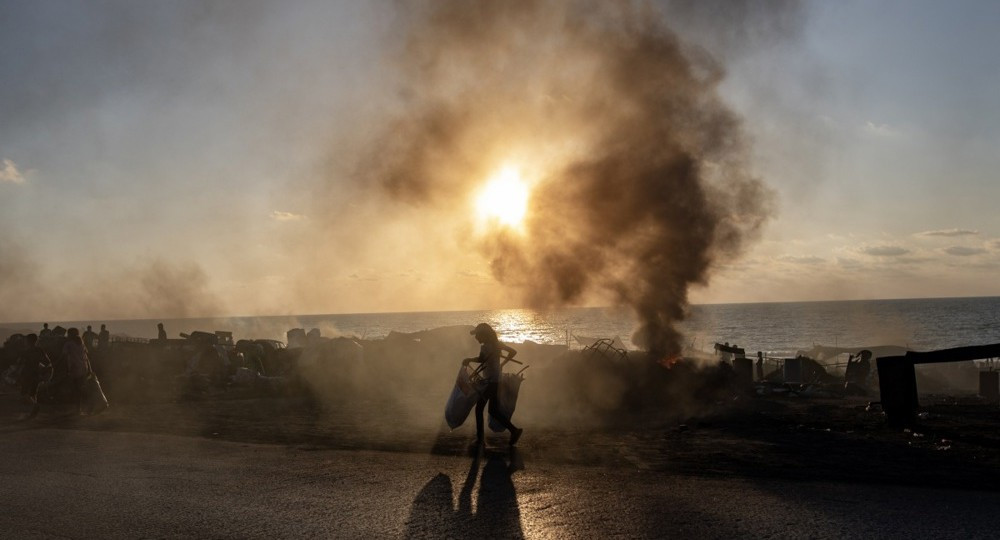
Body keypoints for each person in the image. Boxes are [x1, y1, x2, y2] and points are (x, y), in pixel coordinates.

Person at [462, 323, 523, 447]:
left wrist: (468, 359)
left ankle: (480, 440)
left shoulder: (485, 347)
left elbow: (481, 359)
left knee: (479, 409)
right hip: (496, 380)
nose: (476, 338)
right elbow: (513, 352)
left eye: (477, 335)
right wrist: (503, 363)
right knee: (493, 410)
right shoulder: (497, 344)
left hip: (490, 382)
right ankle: (514, 431)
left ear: (483, 335)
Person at [17, 334, 51, 419]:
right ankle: (33, 412)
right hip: (36, 374)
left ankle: (35, 406)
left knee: (24, 393)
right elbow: (47, 362)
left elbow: (20, 363)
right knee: (33, 393)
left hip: (27, 374)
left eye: (26, 340)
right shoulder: (39, 350)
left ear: (28, 341)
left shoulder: (26, 352)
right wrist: (41, 369)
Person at [61, 327, 91, 414]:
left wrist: (54, 364)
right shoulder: (81, 343)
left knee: (76, 389)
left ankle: (78, 409)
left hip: (75, 368)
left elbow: (63, 356)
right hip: (83, 368)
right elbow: (86, 357)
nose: (67, 335)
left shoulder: (68, 344)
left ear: (71, 335)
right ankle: (79, 408)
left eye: (68, 334)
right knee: (79, 388)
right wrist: (90, 369)